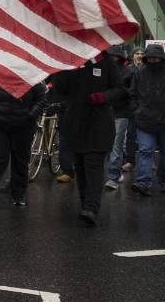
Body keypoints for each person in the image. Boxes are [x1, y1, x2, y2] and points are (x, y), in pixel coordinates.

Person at [52, 53, 128, 225]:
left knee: (93, 166)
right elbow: (61, 89)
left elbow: (120, 89)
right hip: (75, 123)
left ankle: (91, 208)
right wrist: (63, 68)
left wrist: (104, 97)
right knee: (79, 166)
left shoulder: (106, 62)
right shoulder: (70, 61)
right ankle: (85, 202)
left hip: (99, 123)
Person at [0, 77, 47, 208]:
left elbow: (41, 99)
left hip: (23, 126)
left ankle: (19, 195)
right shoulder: (0, 74)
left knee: (20, 160)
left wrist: (30, 115)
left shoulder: (34, 77)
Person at [128, 44, 165, 196]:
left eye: (155, 57)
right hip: (144, 121)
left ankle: (164, 181)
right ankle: (143, 182)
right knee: (145, 151)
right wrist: (137, 111)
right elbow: (132, 95)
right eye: (150, 57)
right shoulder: (140, 74)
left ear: (161, 58)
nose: (153, 60)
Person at [104, 46, 136, 190]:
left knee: (116, 145)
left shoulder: (128, 72)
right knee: (106, 145)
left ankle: (112, 177)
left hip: (121, 113)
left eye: (113, 56)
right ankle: (113, 173)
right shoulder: (103, 70)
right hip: (104, 112)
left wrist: (118, 93)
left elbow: (132, 93)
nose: (111, 58)